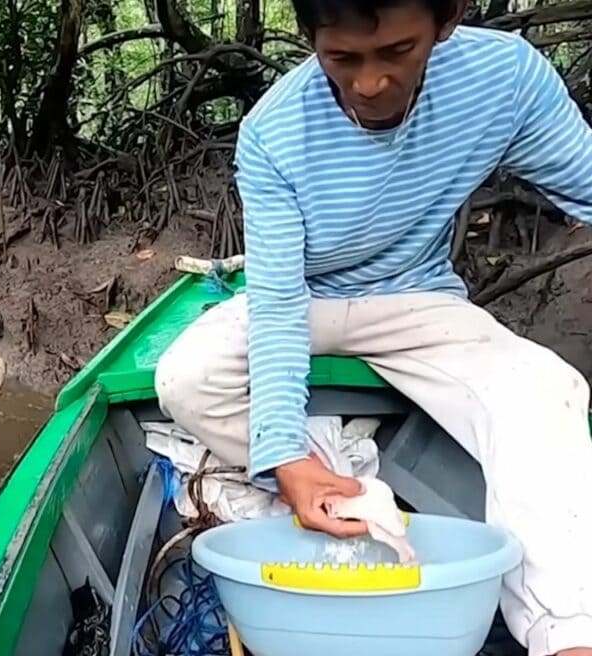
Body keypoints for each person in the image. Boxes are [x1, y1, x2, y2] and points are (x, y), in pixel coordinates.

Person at [152, 0, 592, 653]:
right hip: (306, 298)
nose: (369, 83)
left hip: (417, 299)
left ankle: (566, 632)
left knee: (545, 391)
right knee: (186, 377)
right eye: (342, 58)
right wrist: (285, 457)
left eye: (397, 52)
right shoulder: (274, 130)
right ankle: (338, 481)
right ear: (310, 38)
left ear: (447, 22)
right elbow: (276, 301)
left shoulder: (505, 79)